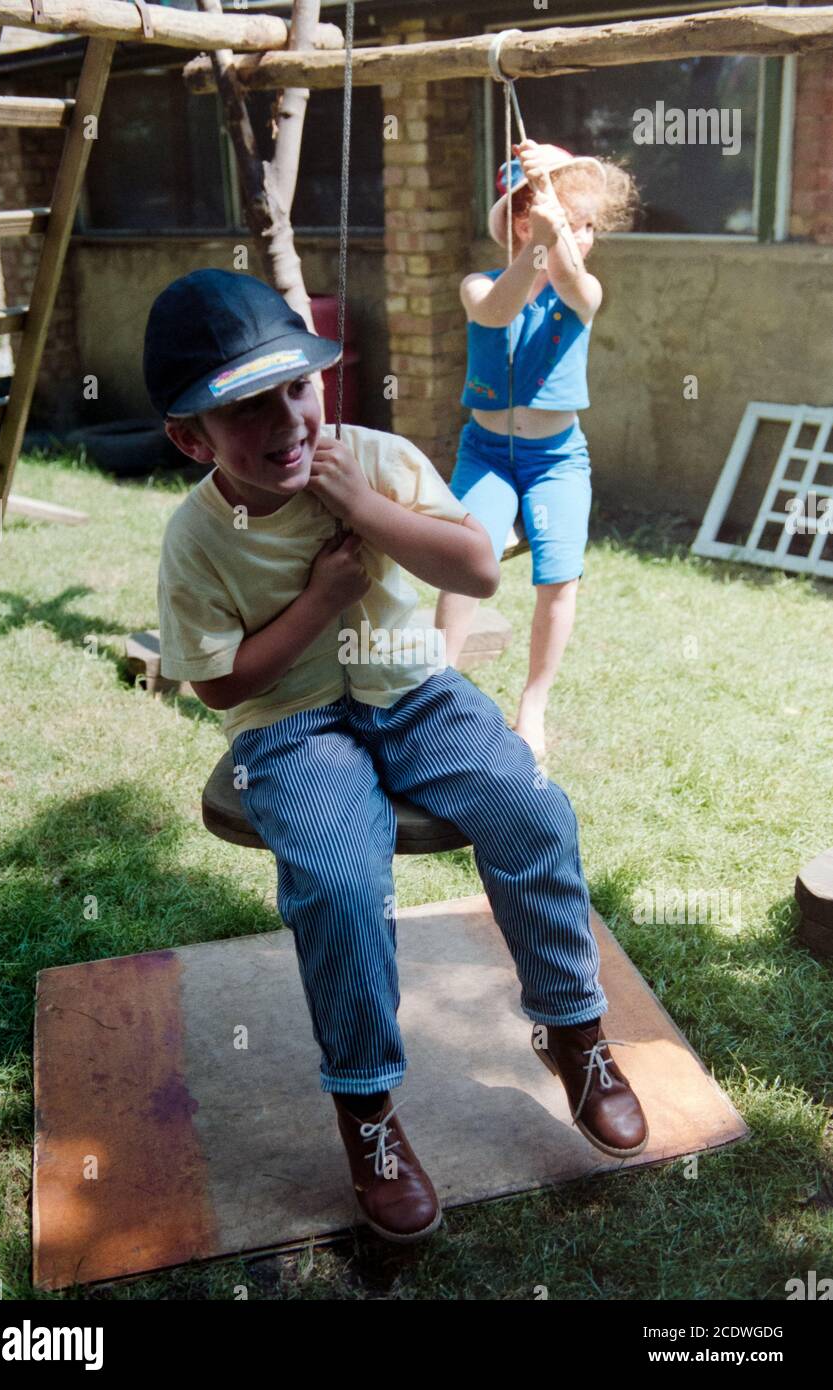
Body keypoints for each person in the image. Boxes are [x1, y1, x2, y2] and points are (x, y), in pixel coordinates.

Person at [144, 268, 648, 1246]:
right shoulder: (196, 538)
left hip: (416, 692)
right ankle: (368, 1114)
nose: (283, 420)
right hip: (291, 729)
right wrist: (321, 602)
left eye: (293, 388)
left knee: (532, 808)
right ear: (189, 438)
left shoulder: (372, 457)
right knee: (336, 886)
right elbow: (217, 684)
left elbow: (473, 569)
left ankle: (576, 1038)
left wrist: (365, 511)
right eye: (242, 410)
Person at [436, 141, 639, 758]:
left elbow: (575, 284)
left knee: (559, 576)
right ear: (523, 224)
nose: (583, 237)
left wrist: (559, 247)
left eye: (586, 227)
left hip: (556, 460)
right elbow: (497, 313)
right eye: (572, 224)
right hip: (488, 454)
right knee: (465, 563)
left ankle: (533, 704)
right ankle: (436, 690)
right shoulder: (481, 284)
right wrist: (538, 248)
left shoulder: (585, 289)